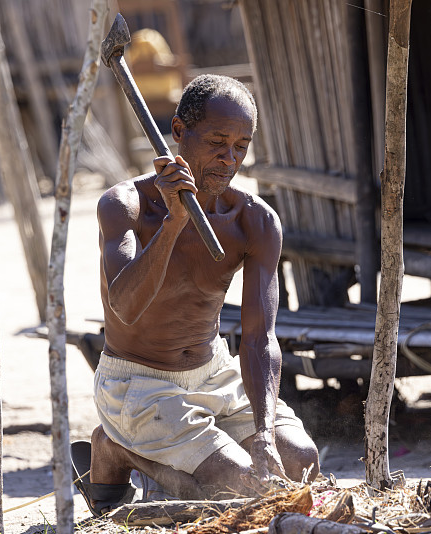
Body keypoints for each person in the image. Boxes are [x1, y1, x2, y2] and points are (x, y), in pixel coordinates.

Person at [83, 74, 319, 511]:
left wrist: (264, 434)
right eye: (216, 141)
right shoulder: (125, 206)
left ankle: (185, 447)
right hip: (137, 383)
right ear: (178, 132)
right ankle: (115, 447)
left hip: (215, 375)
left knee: (301, 462)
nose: (229, 159)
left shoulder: (254, 221)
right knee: (237, 489)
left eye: (241, 146)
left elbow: (258, 338)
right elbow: (126, 307)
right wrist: (174, 222)